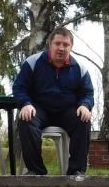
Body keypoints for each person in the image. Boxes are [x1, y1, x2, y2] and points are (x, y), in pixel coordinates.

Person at [13, 26, 94, 177]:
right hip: (39, 110)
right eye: (57, 43)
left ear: (71, 47)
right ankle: (36, 172)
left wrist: (85, 105)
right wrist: (25, 103)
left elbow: (87, 93)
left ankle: (76, 172)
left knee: (83, 119)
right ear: (50, 44)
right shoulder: (32, 62)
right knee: (26, 118)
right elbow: (19, 88)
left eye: (66, 44)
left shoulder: (80, 68)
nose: (61, 48)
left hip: (67, 111)